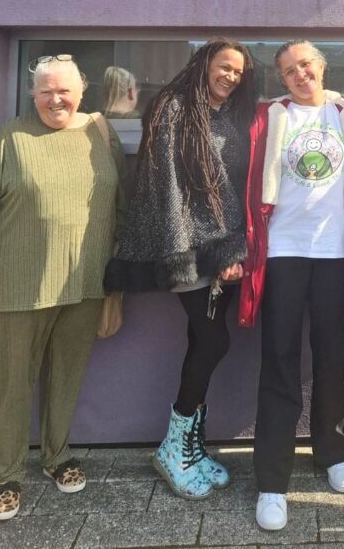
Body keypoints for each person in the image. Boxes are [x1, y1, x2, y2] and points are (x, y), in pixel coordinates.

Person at [0, 55, 125, 522]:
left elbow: (122, 209)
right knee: (14, 383)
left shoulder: (101, 135)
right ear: (33, 95)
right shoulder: (11, 138)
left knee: (66, 376)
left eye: (63, 90)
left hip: (86, 283)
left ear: (82, 91)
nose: (55, 99)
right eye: (45, 91)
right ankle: (7, 476)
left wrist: (120, 280)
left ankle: (56, 457)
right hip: (21, 285)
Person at [238, 39, 344, 532]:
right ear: (281, 79)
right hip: (280, 254)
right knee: (279, 362)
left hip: (334, 255)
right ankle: (272, 481)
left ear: (321, 67)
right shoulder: (267, 118)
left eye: (306, 65)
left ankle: (333, 453)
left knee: (332, 359)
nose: (299, 74)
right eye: (288, 70)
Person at [105, 39, 256, 500]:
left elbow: (233, 185)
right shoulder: (173, 108)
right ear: (204, 63)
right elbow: (165, 187)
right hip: (187, 247)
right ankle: (173, 449)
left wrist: (234, 251)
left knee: (201, 342)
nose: (230, 76)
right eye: (223, 67)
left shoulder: (230, 115)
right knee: (214, 339)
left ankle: (189, 447)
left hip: (225, 249)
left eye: (238, 72)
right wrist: (181, 253)